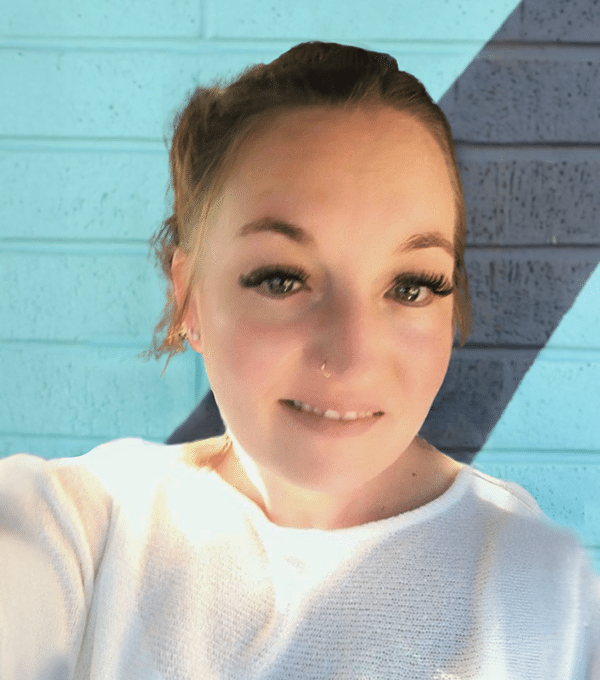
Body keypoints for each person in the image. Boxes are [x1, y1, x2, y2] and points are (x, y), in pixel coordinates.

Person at [1, 42, 598, 679]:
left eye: (411, 286)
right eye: (284, 280)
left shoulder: (533, 587)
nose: (352, 356)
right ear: (189, 300)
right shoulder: (72, 529)